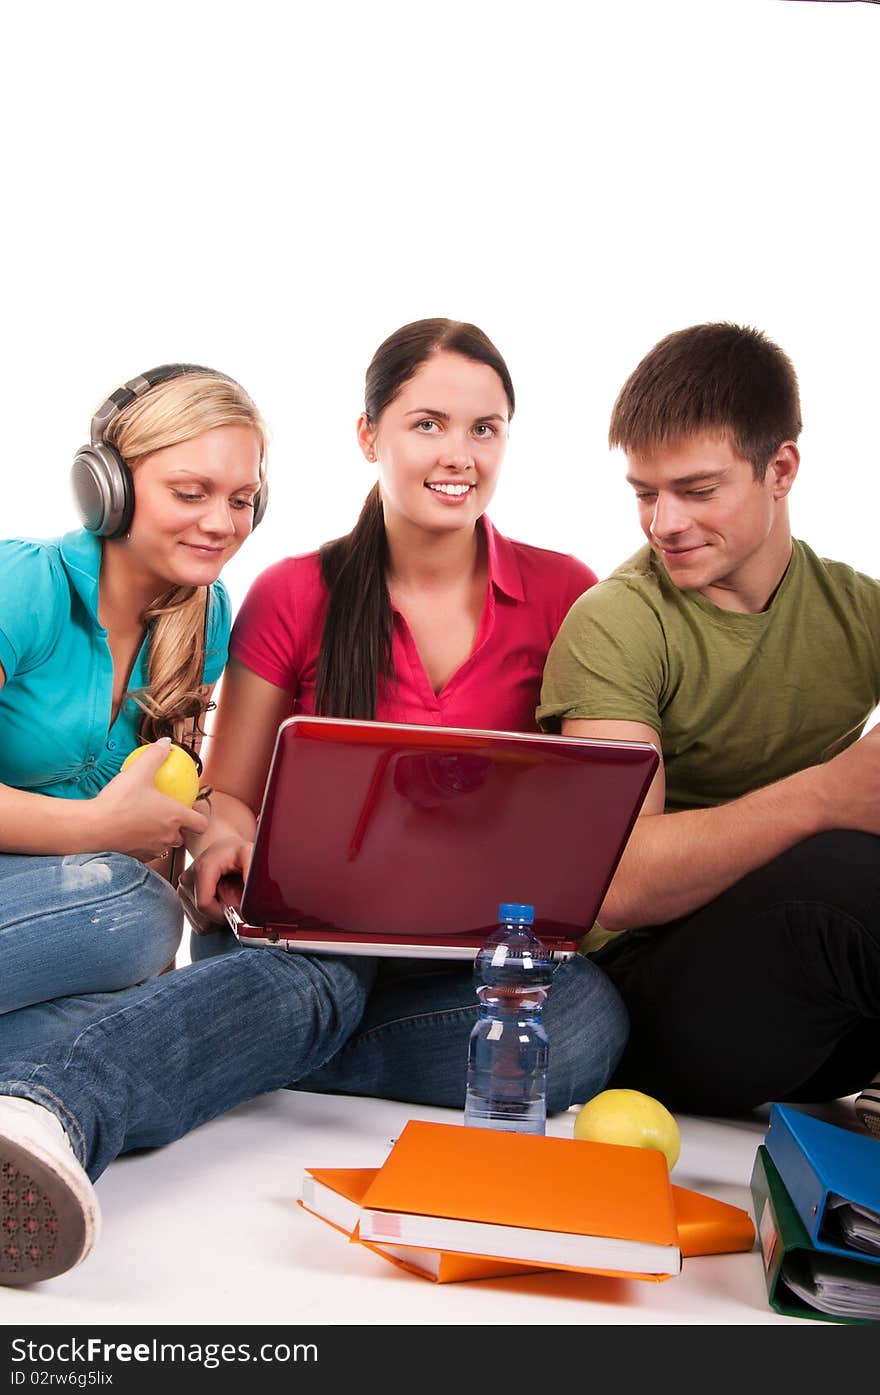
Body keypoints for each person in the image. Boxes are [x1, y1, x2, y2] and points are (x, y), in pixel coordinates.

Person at [0, 319, 628, 1287]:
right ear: (370, 434)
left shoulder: (564, 592)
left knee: (580, 1019)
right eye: (427, 423)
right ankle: (55, 1104)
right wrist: (224, 846)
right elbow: (232, 800)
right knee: (300, 976)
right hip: (305, 939)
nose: (457, 454)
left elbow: (584, 810)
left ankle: (226, 1043)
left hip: (461, 943)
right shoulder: (291, 591)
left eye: (485, 429)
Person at [537, 321, 880, 1134]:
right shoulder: (617, 622)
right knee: (840, 871)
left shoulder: (857, 612)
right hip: (653, 1003)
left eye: (696, 490)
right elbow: (615, 879)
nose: (663, 523)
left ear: (781, 469)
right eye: (644, 492)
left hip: (818, 1021)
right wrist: (828, 794)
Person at [0, 363, 267, 1056]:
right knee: (137, 910)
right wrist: (96, 826)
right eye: (190, 492)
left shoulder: (206, 616)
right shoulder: (21, 583)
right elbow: (118, 851)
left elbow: (173, 785)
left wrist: (211, 845)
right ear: (107, 489)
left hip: (58, 914)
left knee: (169, 989)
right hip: (62, 899)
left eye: (242, 499)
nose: (221, 522)